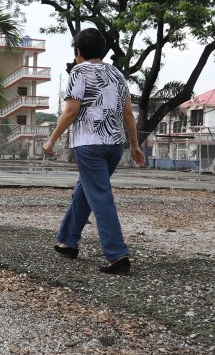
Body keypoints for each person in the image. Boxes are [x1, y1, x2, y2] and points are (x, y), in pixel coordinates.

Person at [42, 28, 145, 275]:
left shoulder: (79, 71)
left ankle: (117, 255)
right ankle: (67, 241)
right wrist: (134, 145)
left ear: (78, 52)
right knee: (86, 190)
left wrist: (51, 140)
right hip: (114, 146)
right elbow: (129, 114)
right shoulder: (117, 74)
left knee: (100, 196)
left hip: (90, 144)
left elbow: (70, 111)